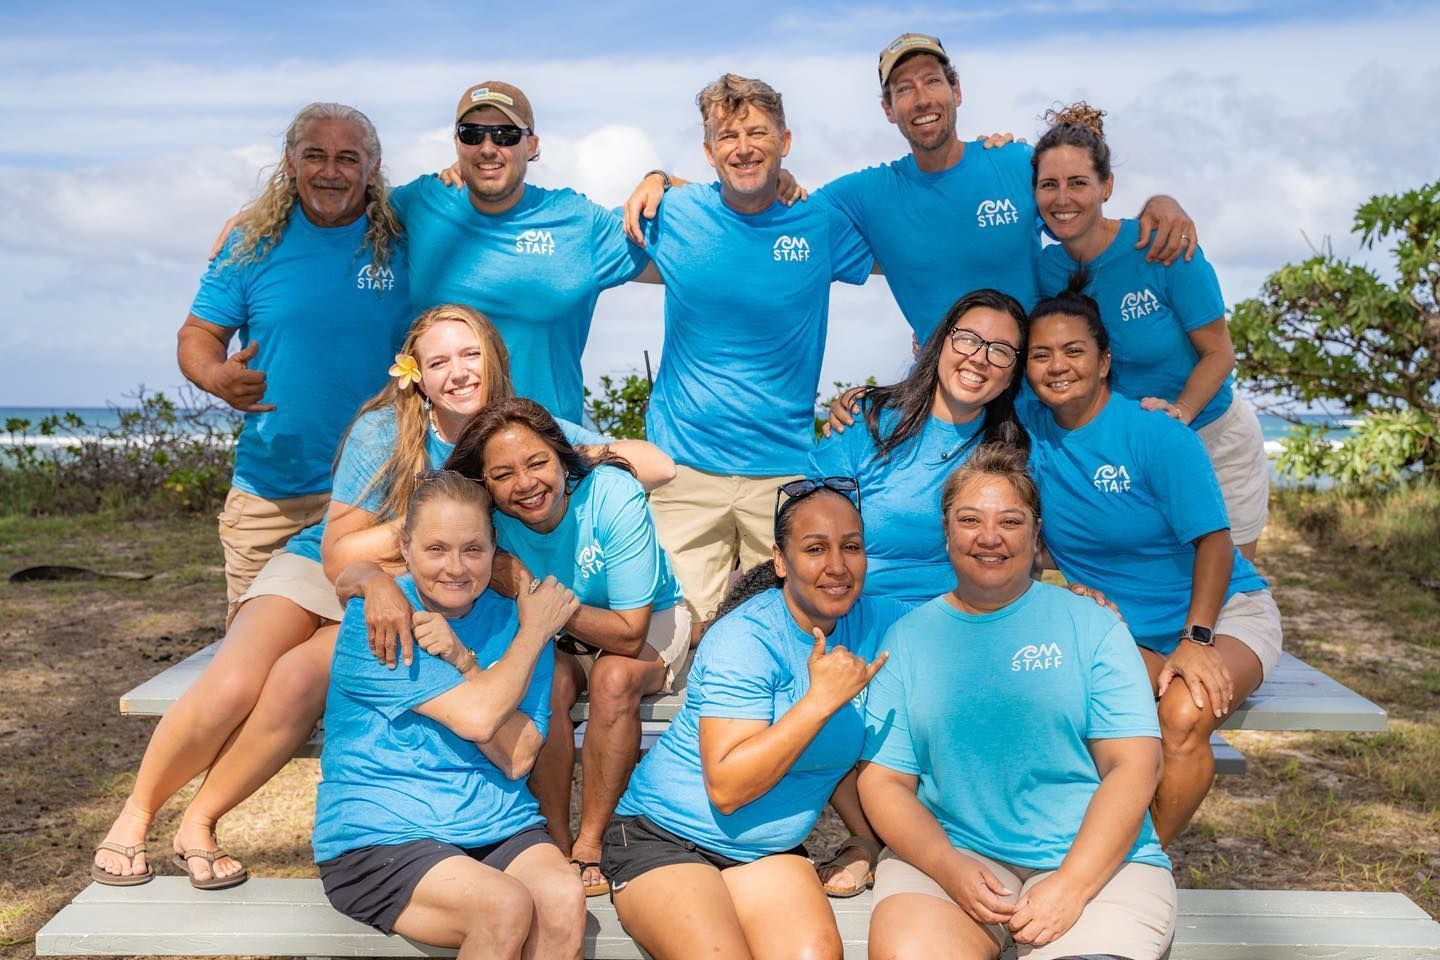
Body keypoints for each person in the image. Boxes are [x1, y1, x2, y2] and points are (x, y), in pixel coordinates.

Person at [92, 304, 666, 888]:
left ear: (493, 360)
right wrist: (404, 543)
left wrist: (577, 457)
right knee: (238, 677)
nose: (458, 372)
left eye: (470, 355)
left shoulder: (513, 433)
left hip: (422, 585)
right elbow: (340, 556)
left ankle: (200, 819)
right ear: (415, 373)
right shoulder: (388, 429)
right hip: (331, 566)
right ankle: (135, 815)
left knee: (298, 678)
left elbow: (657, 465)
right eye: (438, 361)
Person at [625, 34, 1196, 341]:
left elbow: (1083, 213)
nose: (921, 98)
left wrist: (1160, 204)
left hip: (1041, 380)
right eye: (903, 89)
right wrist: (664, 179)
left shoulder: (1016, 161)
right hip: (953, 388)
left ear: (956, 91)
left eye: (931, 82)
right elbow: (761, 200)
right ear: (887, 109)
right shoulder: (865, 195)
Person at [859, 444, 1175, 960]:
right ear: (945, 531)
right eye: (969, 520)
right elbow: (885, 781)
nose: (989, 537)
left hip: (1095, 863)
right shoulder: (909, 639)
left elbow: (1136, 765)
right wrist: (949, 868)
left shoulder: (1091, 625)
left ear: (1036, 532)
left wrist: (1072, 884)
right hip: (955, 855)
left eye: (1010, 520)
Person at [601, 478, 906, 960]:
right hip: (665, 837)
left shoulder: (882, 623)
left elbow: (966, 630)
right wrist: (817, 702)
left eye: (851, 547)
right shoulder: (746, 637)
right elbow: (728, 788)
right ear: (781, 561)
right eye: (814, 548)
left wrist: (865, 842)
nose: (837, 566)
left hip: (766, 851)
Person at [1023, 286, 1284, 845]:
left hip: (1222, 613)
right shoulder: (1032, 438)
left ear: (1105, 362)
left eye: (1073, 351)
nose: (1057, 366)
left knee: (1184, 717)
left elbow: (1216, 542)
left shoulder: (1155, 433)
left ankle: (1142, 863)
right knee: (1053, 706)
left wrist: (1197, 636)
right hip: (1124, 632)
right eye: (1040, 355)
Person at [637, 73, 874, 640]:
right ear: (708, 151)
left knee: (793, 638)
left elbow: (918, 258)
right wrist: (656, 178)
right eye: (727, 136)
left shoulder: (820, 222)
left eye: (757, 133)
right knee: (672, 645)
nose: (743, 147)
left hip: (784, 472)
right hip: (682, 470)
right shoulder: (674, 212)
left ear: (785, 141)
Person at [313, 469, 584, 957]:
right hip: (385, 834)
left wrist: (464, 659)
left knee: (564, 898)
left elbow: (520, 757)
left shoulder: (515, 621)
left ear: (494, 546)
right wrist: (533, 634)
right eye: (436, 549)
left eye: (473, 549)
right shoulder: (381, 618)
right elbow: (480, 721)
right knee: (502, 906)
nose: (455, 568)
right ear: (405, 545)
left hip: (497, 821)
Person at [443, 397, 689, 898]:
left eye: (537, 463)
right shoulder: (487, 516)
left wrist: (532, 590)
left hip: (646, 618)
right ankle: (554, 840)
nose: (526, 484)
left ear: (562, 458)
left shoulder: (613, 493)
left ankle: (593, 841)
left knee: (614, 678)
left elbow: (627, 634)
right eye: (504, 474)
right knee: (548, 681)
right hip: (560, 628)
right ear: (484, 483)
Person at [180, 101, 410, 608]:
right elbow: (197, 334)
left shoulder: (406, 240)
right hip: (270, 493)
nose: (331, 172)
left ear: (373, 168)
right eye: (315, 155)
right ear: (290, 161)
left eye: (348, 158)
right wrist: (217, 376)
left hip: (378, 494)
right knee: (252, 658)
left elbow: (471, 206)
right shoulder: (252, 242)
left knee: (358, 658)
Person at [1033, 102, 1268, 558]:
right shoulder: (1044, 270)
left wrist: (1179, 413)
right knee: (1157, 589)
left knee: (1229, 592)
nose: (1063, 199)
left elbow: (1220, 354)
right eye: (1049, 185)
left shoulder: (1161, 247)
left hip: (1214, 438)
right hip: (1127, 451)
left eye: (1078, 182)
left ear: (1107, 186)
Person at [390, 80, 655, 421]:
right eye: (472, 134)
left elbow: (686, 252)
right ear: (457, 143)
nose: (488, 147)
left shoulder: (576, 220)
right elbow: (341, 199)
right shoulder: (422, 201)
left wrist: (661, 179)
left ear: (531, 145)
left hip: (542, 455)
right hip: (442, 455)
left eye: (504, 135)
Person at [809, 288, 1028, 606]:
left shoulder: (1013, 450)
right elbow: (809, 523)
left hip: (962, 621)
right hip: (855, 612)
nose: (979, 358)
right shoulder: (864, 419)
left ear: (1011, 376)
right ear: (941, 343)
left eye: (1001, 350)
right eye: (967, 338)